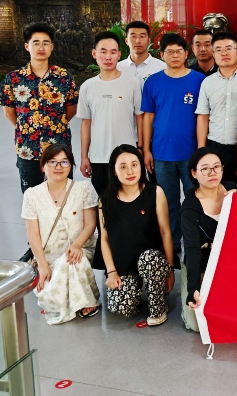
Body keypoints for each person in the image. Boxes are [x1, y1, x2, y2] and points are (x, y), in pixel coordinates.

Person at [141, 33, 205, 258]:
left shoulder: (199, 81)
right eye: (170, 52)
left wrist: (201, 152)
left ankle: (194, 246)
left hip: (191, 153)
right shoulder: (153, 82)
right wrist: (146, 149)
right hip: (161, 153)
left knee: (193, 199)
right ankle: (173, 247)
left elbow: (203, 117)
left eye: (179, 51)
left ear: (186, 54)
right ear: (162, 55)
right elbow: (148, 117)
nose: (175, 55)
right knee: (168, 203)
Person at [22, 144, 100, 324]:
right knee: (52, 284)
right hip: (48, 254)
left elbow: (90, 224)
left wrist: (77, 244)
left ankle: (87, 301)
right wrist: (42, 265)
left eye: (64, 162)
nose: (59, 167)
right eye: (53, 162)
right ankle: (79, 299)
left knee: (72, 260)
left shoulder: (83, 189)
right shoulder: (32, 195)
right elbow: (33, 234)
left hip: (81, 247)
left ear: (71, 166)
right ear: (43, 166)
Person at [99, 144, 175, 325]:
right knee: (122, 307)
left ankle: (158, 308)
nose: (130, 171)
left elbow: (165, 232)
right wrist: (111, 272)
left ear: (141, 166)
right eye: (123, 167)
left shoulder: (155, 192)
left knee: (149, 260)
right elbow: (104, 238)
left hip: (151, 261)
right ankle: (137, 290)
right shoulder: (105, 199)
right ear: (114, 171)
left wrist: (170, 269)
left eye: (134, 165)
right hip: (124, 264)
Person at [3, 22, 79, 192]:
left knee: (64, 196)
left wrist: (55, 124)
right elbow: (9, 112)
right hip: (28, 148)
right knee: (32, 196)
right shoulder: (13, 79)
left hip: (59, 148)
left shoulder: (64, 77)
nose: (41, 47)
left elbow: (71, 109)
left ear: (52, 47)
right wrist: (27, 128)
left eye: (46, 43)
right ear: (27, 46)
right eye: (36, 43)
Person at [78, 31, 143, 196]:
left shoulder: (132, 83)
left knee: (130, 200)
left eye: (113, 52)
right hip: (99, 157)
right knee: (104, 202)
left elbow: (140, 117)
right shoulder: (87, 87)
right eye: (103, 51)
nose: (108, 57)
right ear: (94, 54)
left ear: (119, 55)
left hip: (127, 156)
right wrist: (84, 156)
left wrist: (141, 148)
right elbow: (86, 123)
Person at [181, 147, 237, 331]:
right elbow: (192, 250)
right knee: (197, 324)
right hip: (203, 264)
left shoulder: (234, 191)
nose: (212, 173)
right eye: (205, 169)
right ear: (194, 173)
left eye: (216, 167)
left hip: (231, 264)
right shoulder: (189, 208)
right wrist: (193, 288)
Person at [196, 31, 237, 185]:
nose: (224, 53)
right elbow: (203, 117)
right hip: (215, 147)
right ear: (213, 54)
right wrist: (202, 151)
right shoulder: (207, 83)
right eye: (218, 49)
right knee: (218, 191)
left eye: (229, 48)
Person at [117, 21, 166, 93]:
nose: (138, 41)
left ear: (149, 40)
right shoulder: (117, 68)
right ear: (126, 41)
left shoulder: (162, 68)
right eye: (133, 36)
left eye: (142, 36)